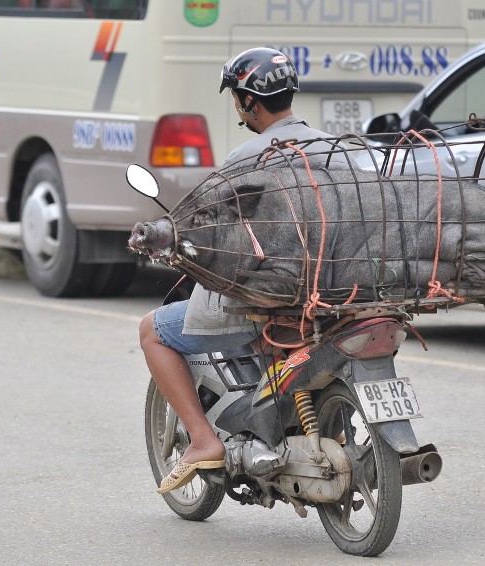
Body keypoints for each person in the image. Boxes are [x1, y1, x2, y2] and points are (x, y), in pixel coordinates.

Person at [139, 47, 337, 494]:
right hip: (338, 296)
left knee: (152, 330)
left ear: (248, 101)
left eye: (236, 97)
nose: (237, 106)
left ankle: (204, 440)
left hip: (269, 302)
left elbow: (215, 231)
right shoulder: (334, 150)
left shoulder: (245, 158)